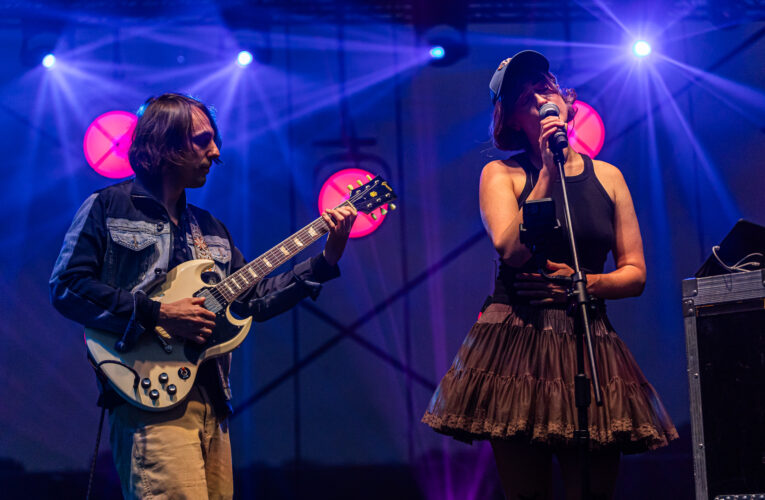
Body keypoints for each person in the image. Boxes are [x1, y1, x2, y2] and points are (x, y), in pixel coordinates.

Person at [50, 93, 357, 499]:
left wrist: (325, 259)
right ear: (165, 143)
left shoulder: (211, 228)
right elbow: (67, 286)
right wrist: (158, 313)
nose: (215, 152)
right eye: (202, 140)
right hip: (148, 400)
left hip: (212, 400)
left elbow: (255, 301)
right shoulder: (108, 208)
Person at [422, 51, 678, 500]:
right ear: (514, 121)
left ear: (566, 100)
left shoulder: (610, 177)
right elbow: (511, 249)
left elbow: (635, 274)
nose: (541, 98)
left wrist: (581, 283)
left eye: (546, 86)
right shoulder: (501, 173)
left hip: (586, 337)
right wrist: (544, 172)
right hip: (517, 344)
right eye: (526, 97)